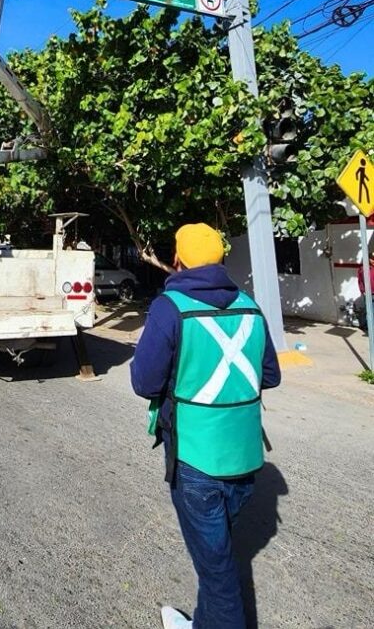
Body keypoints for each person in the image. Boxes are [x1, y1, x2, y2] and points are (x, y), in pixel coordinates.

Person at [130, 223, 281, 629]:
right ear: (221, 260)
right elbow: (270, 375)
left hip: (196, 459)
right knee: (214, 555)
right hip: (246, 455)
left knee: (218, 575)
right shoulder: (250, 306)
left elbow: (144, 382)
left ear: (177, 261)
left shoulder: (169, 307)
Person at [353, 250, 374, 334]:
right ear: (369, 259)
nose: (373, 261)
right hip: (369, 294)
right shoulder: (364, 269)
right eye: (372, 259)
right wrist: (363, 291)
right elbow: (360, 281)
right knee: (370, 311)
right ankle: (369, 329)